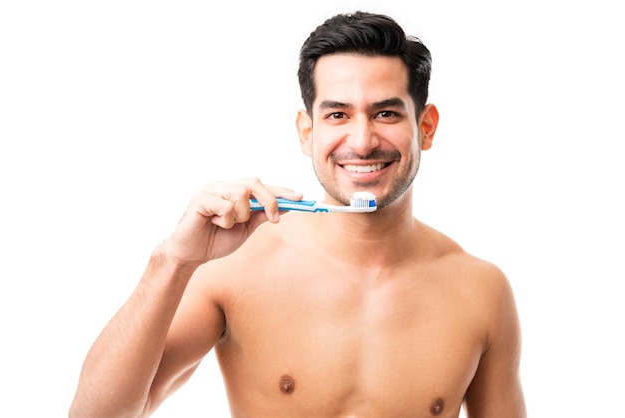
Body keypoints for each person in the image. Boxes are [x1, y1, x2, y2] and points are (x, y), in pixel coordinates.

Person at [70, 11, 526, 418]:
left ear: (424, 128)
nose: (362, 141)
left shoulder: (481, 292)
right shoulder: (235, 266)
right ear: (307, 132)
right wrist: (172, 261)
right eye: (337, 115)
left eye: (386, 113)